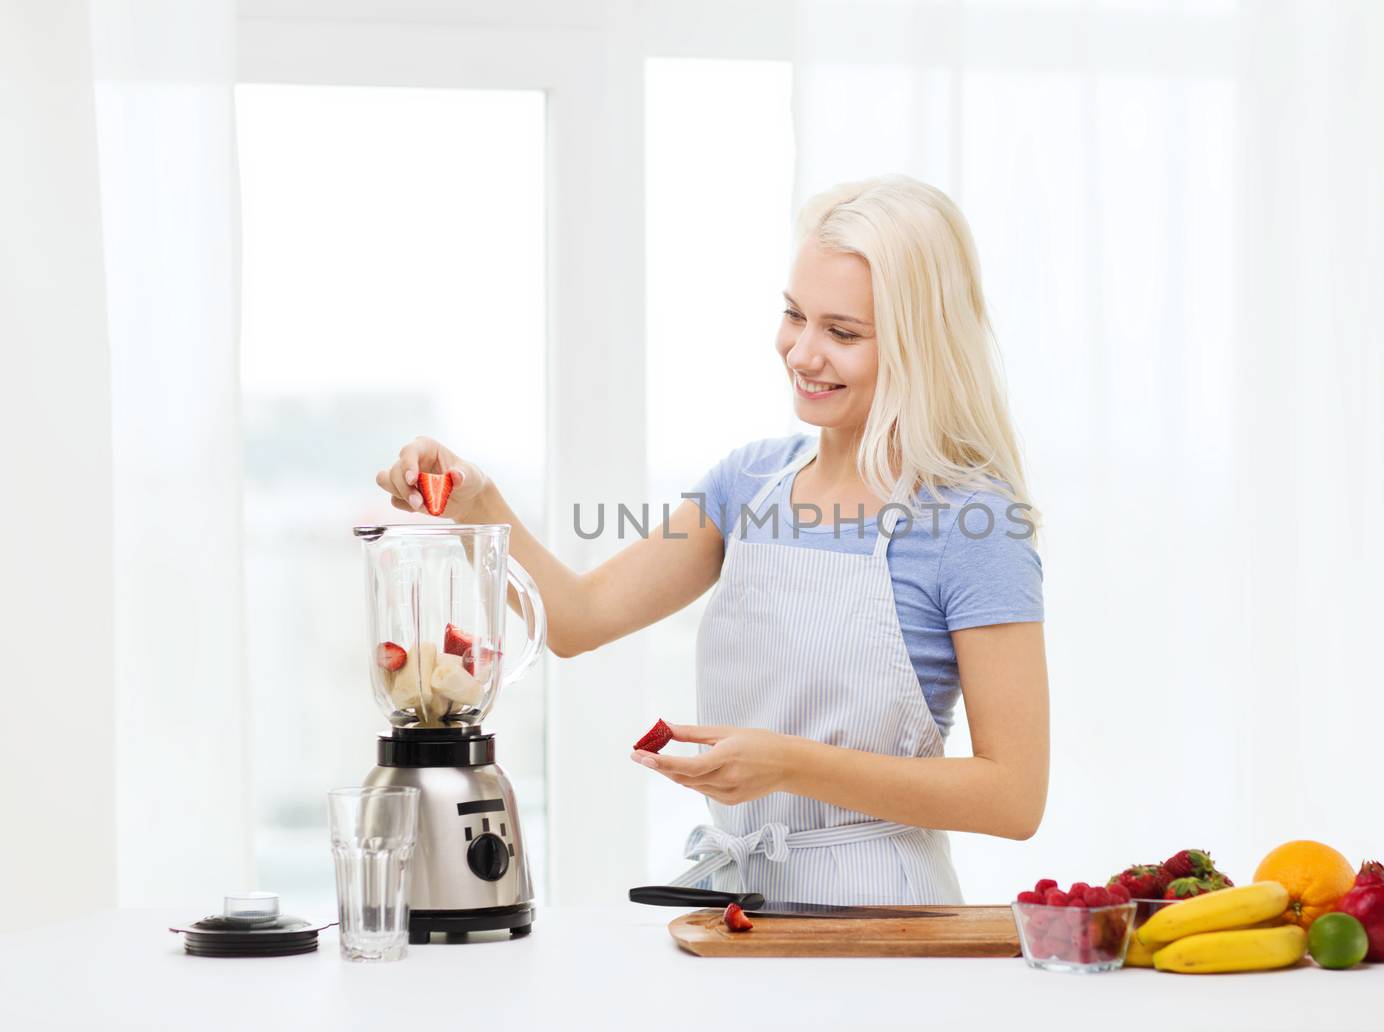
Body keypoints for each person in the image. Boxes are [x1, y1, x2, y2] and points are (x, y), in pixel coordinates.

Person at [376, 175, 1048, 905]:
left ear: (922, 343)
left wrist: (788, 765)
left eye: (843, 333)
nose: (802, 352)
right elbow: (576, 619)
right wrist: (478, 500)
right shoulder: (749, 484)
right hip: (739, 907)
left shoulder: (972, 523)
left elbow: (1013, 797)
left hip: (883, 919)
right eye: (795, 315)